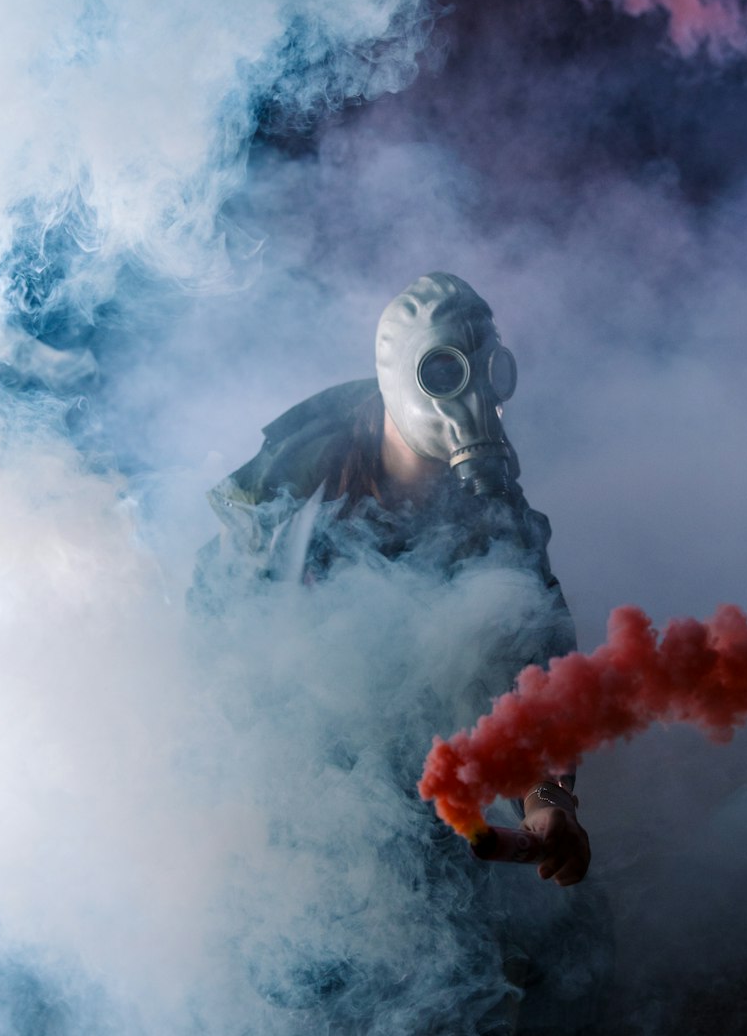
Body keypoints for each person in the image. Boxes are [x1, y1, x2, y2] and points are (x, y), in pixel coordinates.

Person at [193, 271, 590, 887]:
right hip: (291, 795)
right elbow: (215, 658)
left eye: (491, 373)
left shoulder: (493, 513)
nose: (476, 400)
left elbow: (535, 667)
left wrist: (548, 800)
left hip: (430, 784)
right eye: (445, 374)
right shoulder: (283, 502)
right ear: (398, 377)